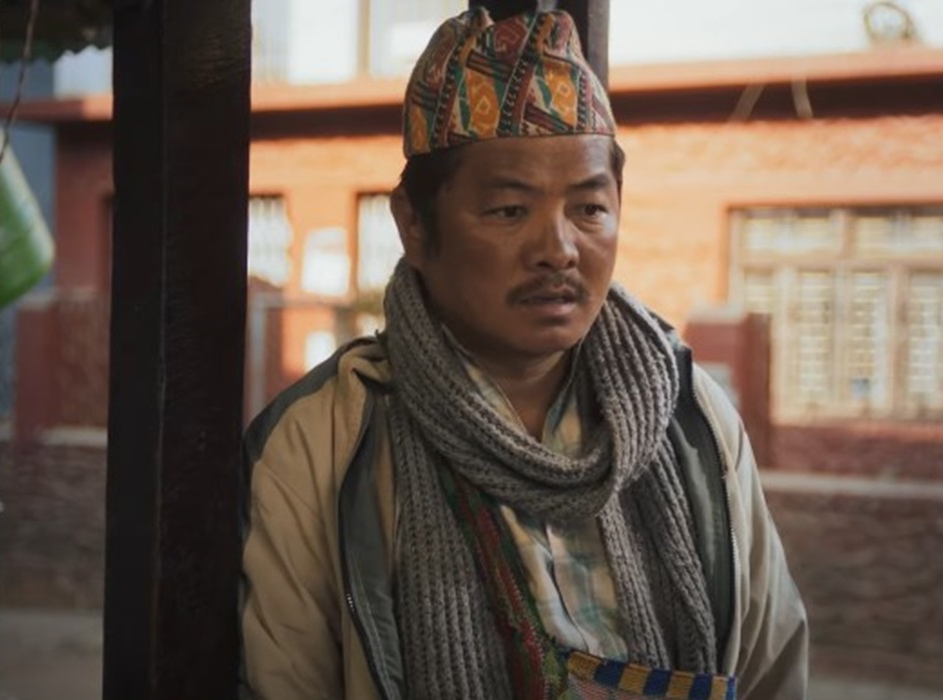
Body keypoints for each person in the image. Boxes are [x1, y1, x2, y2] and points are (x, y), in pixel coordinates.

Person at [239, 7, 808, 700]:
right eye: (509, 211)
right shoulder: (321, 446)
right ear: (414, 225)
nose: (558, 250)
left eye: (589, 209)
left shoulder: (692, 423)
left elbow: (772, 669)